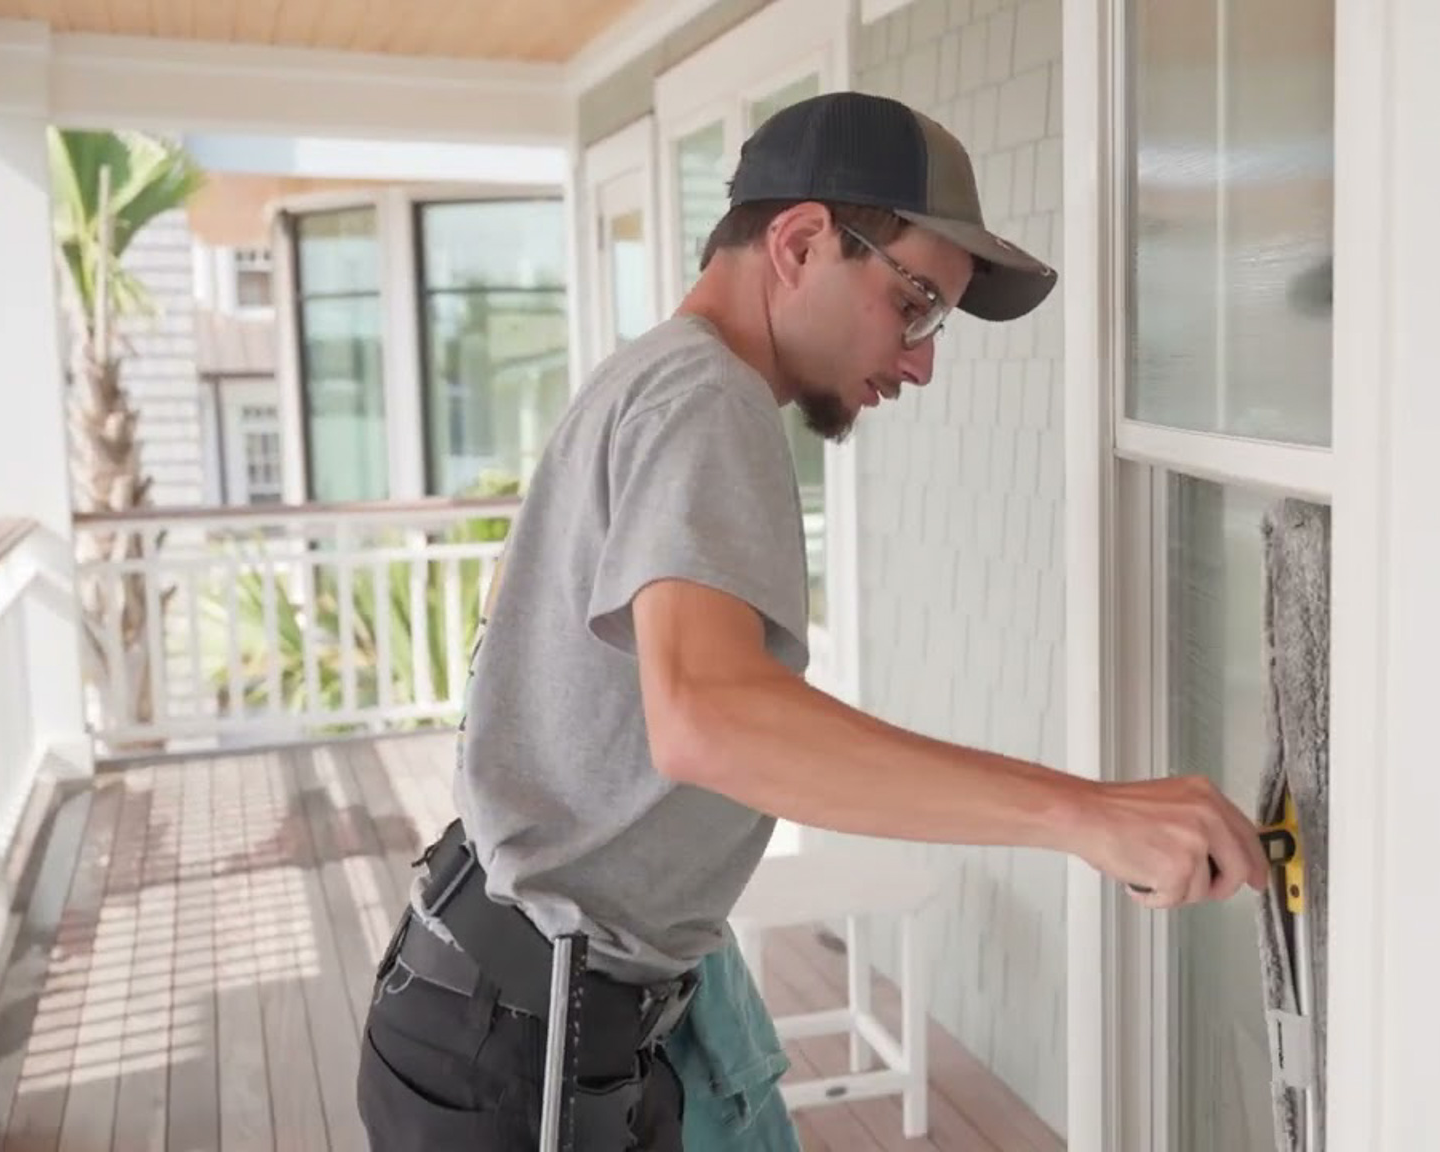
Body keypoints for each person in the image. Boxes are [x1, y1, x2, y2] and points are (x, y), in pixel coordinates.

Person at [354, 90, 1270, 1150]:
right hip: (522, 1049)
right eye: (916, 304)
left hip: (526, 990)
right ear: (797, 242)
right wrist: (1082, 813)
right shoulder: (708, 399)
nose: (923, 359)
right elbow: (708, 718)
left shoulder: (657, 379)